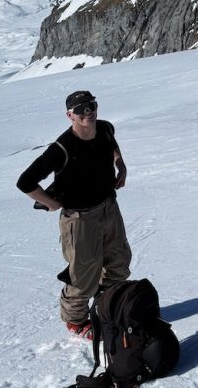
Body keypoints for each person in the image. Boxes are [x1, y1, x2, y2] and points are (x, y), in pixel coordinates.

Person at [16, 90, 132, 338]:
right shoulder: (62, 148)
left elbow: (112, 143)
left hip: (109, 208)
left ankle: (108, 309)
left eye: (90, 106)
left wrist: (120, 164)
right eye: (80, 109)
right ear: (70, 115)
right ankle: (76, 322)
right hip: (80, 219)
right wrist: (51, 203)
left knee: (118, 263)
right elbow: (26, 182)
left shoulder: (105, 128)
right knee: (83, 275)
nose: (87, 113)